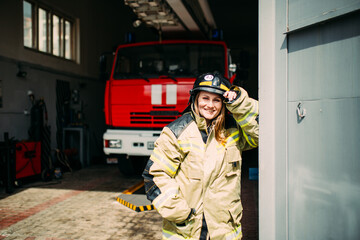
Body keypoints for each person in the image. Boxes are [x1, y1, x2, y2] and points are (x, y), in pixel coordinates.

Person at [142, 72, 259, 240]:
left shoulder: (233, 130)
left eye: (216, 100)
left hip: (223, 230)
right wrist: (180, 212)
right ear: (195, 99)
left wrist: (240, 103)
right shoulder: (176, 131)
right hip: (187, 230)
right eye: (205, 98)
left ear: (224, 103)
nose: (210, 105)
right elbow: (155, 175)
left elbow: (261, 134)